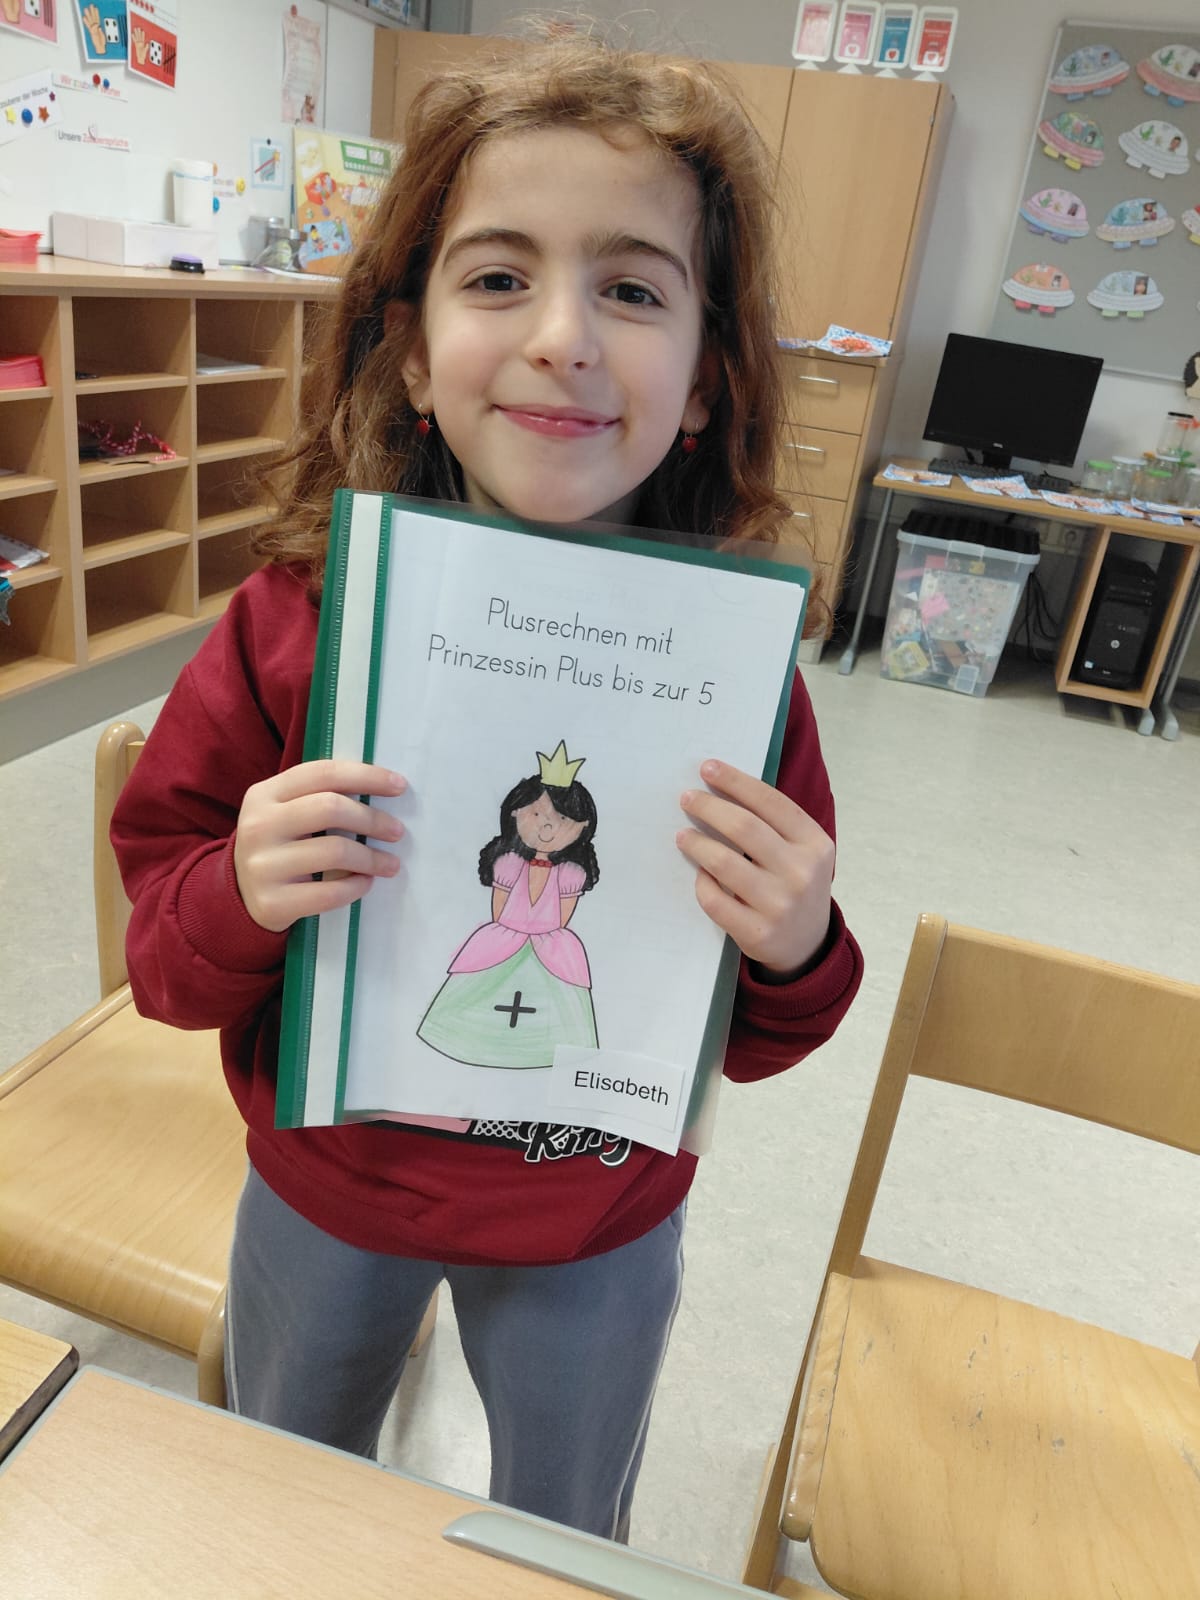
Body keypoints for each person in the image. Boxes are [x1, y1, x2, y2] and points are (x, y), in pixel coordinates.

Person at [111, 30, 864, 1544]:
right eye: (500, 276)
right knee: (281, 1507)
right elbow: (166, 961)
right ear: (408, 345)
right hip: (329, 1182)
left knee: (563, 1539)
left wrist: (797, 943)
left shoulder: (728, 676)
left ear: (706, 383)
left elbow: (757, 1028)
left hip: (593, 1213)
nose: (563, 337)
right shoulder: (295, 623)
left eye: (634, 291)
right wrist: (242, 887)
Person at [417, 743, 600, 1068]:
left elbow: (562, 918)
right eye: (537, 814)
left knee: (559, 1005)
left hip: (551, 944)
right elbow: (499, 910)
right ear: (515, 813)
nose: (548, 827)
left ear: (582, 827)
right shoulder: (509, 864)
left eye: (562, 818)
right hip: (504, 937)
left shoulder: (571, 873)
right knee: (478, 991)